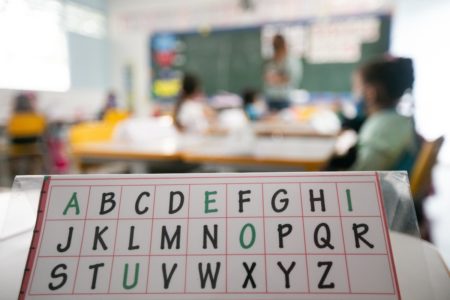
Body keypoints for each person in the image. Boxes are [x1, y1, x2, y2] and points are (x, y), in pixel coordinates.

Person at [349, 56, 418, 171]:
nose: (354, 93)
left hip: (384, 188)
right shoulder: (394, 120)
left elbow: (362, 177)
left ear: (371, 93)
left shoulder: (381, 129)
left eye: (356, 87)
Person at [264, 34, 302, 111]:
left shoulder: (291, 60)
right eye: (275, 46)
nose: (276, 48)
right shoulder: (271, 61)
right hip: (271, 98)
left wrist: (278, 78)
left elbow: (290, 78)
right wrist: (280, 77)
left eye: (278, 45)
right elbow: (268, 77)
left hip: (286, 99)